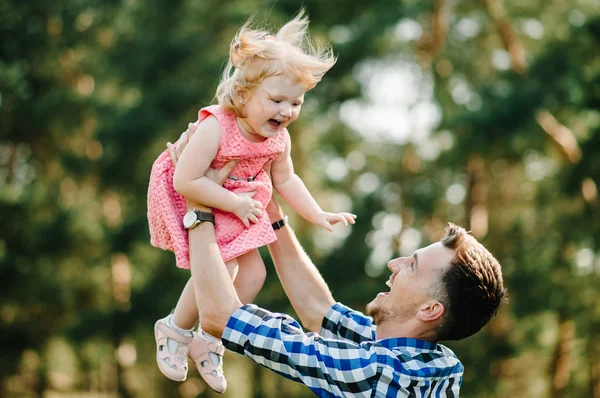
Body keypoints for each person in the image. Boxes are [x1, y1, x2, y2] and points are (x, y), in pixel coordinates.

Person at [166, 143, 506, 397]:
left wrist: (198, 204)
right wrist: (267, 203)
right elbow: (319, 312)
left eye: (412, 267)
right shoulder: (433, 362)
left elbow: (220, 318)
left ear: (430, 309)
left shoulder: (375, 374)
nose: (395, 263)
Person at [146, 12, 356, 392]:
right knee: (219, 268)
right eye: (277, 99)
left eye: (297, 102)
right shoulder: (216, 127)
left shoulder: (278, 140)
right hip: (202, 194)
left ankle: (209, 339)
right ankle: (175, 327)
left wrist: (317, 213)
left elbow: (286, 180)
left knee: (256, 274)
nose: (288, 111)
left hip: (239, 204)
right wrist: (233, 202)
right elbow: (186, 179)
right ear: (243, 94)